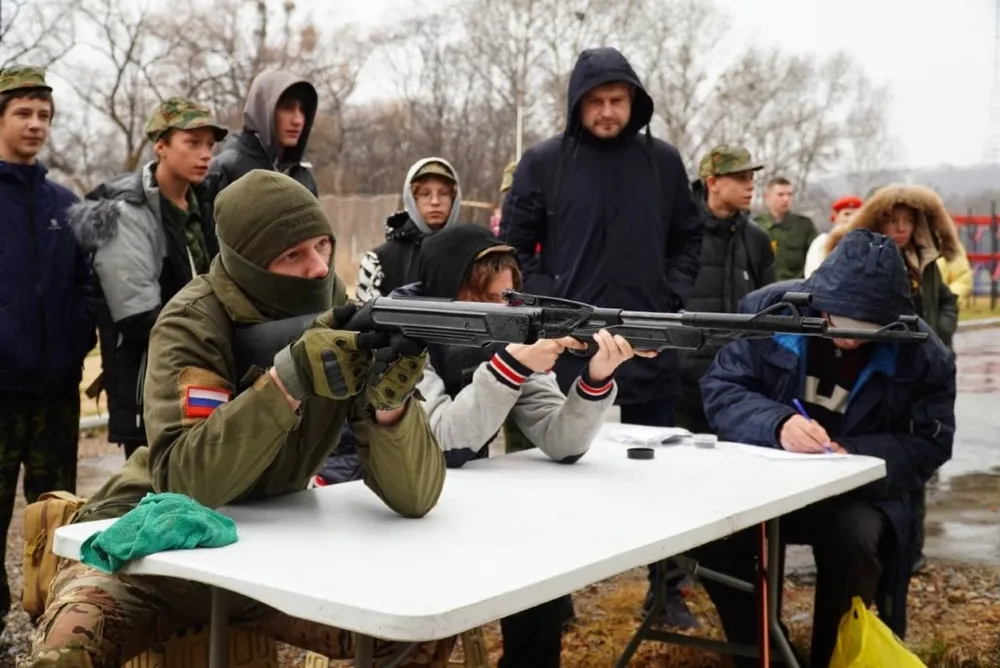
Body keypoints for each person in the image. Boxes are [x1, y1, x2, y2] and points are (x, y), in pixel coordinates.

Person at [26, 170, 454, 668]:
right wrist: (285, 382)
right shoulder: (193, 320)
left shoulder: (335, 309)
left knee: (415, 631)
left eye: (322, 246)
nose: (319, 269)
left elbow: (416, 497)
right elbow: (186, 481)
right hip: (149, 549)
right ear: (250, 265)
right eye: (293, 254)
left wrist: (391, 409)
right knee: (64, 654)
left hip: (268, 554)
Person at [499, 46, 703, 628]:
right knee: (551, 468)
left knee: (656, 473)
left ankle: (665, 588)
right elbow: (515, 247)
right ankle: (547, 597)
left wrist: (669, 294)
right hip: (566, 348)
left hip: (647, 341)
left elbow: (689, 238)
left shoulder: (662, 163)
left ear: (634, 102)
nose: (608, 111)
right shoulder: (545, 163)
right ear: (576, 104)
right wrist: (550, 301)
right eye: (597, 101)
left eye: (618, 100)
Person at [694, 228, 956, 668]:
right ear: (819, 298)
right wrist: (778, 423)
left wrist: (850, 450)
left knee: (852, 540)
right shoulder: (770, 312)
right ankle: (765, 654)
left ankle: (829, 657)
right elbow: (723, 388)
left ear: (892, 318)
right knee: (717, 535)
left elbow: (931, 441)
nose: (849, 337)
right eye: (838, 320)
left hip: (856, 495)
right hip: (768, 478)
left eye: (866, 328)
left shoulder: (924, 353)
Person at [399, 223, 652, 667]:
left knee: (540, 561)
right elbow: (441, 442)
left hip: (464, 504)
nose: (506, 310)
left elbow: (561, 441)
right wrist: (509, 367)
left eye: (510, 298)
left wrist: (597, 376)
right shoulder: (403, 331)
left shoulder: (512, 333)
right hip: (393, 507)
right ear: (449, 293)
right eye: (490, 300)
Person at [68, 97, 228, 461]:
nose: (205, 154)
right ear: (161, 146)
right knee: (156, 501)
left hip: (204, 377)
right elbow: (139, 316)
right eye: (192, 142)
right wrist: (218, 330)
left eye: (210, 144)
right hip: (151, 388)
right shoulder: (128, 212)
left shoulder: (208, 204)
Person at [0, 65, 96, 633]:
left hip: (57, 389)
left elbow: (88, 285)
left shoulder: (66, 203)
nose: (36, 125)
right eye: (23, 113)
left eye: (44, 115)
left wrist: (73, 342)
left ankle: (53, 621)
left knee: (56, 515)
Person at [826, 183, 961, 573]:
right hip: (882, 369)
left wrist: (941, 331)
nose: (901, 228)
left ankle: (911, 549)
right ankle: (878, 552)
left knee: (918, 457)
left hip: (922, 367)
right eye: (893, 220)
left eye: (909, 221)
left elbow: (946, 301)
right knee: (884, 454)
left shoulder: (925, 261)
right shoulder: (863, 264)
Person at [676, 145, 774, 434]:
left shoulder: (756, 239)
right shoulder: (676, 231)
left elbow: (769, 310)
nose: (750, 186)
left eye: (751, 178)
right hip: (679, 382)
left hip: (735, 381)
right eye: (740, 177)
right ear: (713, 183)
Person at [356, 157, 464, 301]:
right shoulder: (378, 262)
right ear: (412, 199)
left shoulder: (473, 257)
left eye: (443, 193)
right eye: (425, 194)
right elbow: (365, 318)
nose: (435, 202)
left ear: (454, 198)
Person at [205, 70, 319, 203]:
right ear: (263, 110)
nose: (298, 120)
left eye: (303, 110)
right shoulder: (228, 169)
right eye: (287, 108)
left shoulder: (303, 176)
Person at [754, 177, 817, 281]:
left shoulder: (803, 226)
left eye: (789, 194)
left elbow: (815, 258)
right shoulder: (756, 226)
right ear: (767, 197)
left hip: (796, 288)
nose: (786, 199)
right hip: (764, 289)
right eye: (780, 195)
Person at [803, 194, 862, 278]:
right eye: (847, 214)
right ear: (836, 217)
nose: (851, 219)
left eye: (856, 215)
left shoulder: (867, 243)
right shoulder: (822, 241)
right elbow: (812, 272)